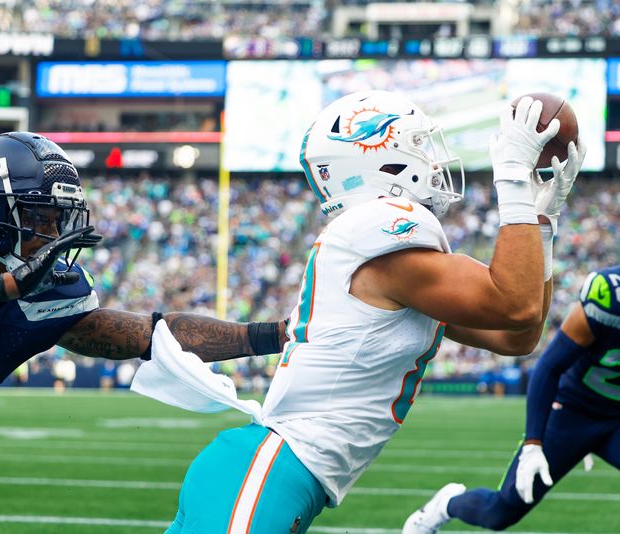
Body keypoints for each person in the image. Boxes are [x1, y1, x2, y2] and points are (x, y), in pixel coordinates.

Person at [130, 90, 586, 533]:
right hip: (272, 468)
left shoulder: (391, 256)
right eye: (419, 147)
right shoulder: (381, 230)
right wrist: (512, 180)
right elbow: (513, 303)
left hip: (278, 472)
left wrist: (542, 221)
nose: (433, 161)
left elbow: (517, 335)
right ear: (379, 160)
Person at [0, 132, 287, 534]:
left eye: (58, 219)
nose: (52, 233)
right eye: (38, 218)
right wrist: (7, 286)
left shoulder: (48, 295)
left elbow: (150, 334)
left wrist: (271, 335)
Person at [403, 265, 619, 533]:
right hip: (573, 414)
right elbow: (549, 366)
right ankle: (446, 505)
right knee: (500, 513)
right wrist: (533, 444)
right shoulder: (611, 294)